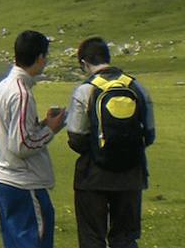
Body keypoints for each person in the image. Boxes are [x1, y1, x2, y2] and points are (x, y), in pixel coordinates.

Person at [66, 37, 156, 248]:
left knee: (92, 238)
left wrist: (97, 149)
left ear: (84, 63)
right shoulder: (137, 87)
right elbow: (149, 134)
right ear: (108, 57)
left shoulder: (85, 91)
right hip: (131, 175)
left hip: (92, 176)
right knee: (125, 238)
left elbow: (76, 137)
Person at [0, 30, 66, 248]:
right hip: (23, 181)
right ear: (40, 57)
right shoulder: (21, 93)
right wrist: (51, 129)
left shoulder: (4, 85)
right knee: (34, 240)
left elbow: (15, 132)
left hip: (5, 177)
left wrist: (42, 124)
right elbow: (22, 145)